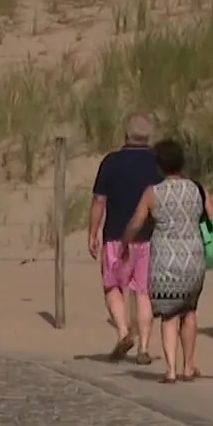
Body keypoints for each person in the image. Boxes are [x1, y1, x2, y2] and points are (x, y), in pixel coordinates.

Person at [121, 139, 213, 383]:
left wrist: (126, 239)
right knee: (190, 310)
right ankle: (188, 366)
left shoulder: (154, 192)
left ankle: (171, 370)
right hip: (194, 258)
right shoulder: (197, 188)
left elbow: (137, 221)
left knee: (168, 314)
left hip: (165, 260)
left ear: (159, 166)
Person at [88, 112, 163, 363]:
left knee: (112, 286)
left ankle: (122, 331)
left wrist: (92, 231)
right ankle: (144, 347)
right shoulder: (156, 163)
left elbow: (99, 200)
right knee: (143, 292)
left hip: (115, 236)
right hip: (148, 236)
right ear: (149, 135)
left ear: (126, 134)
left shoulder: (111, 162)